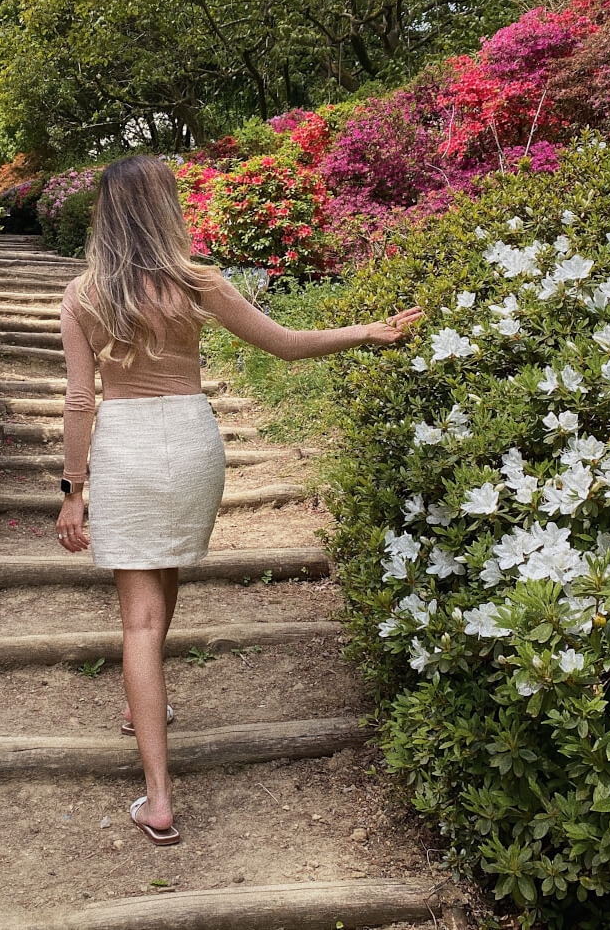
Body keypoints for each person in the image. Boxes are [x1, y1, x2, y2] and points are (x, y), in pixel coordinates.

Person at [56, 155, 423, 846]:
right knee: (164, 575)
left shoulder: (83, 294)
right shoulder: (197, 283)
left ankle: (158, 797)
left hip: (128, 445)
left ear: (105, 213)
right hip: (192, 439)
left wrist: (74, 492)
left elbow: (81, 400)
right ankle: (145, 709)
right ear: (164, 209)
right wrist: (365, 332)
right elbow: (284, 345)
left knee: (138, 616)